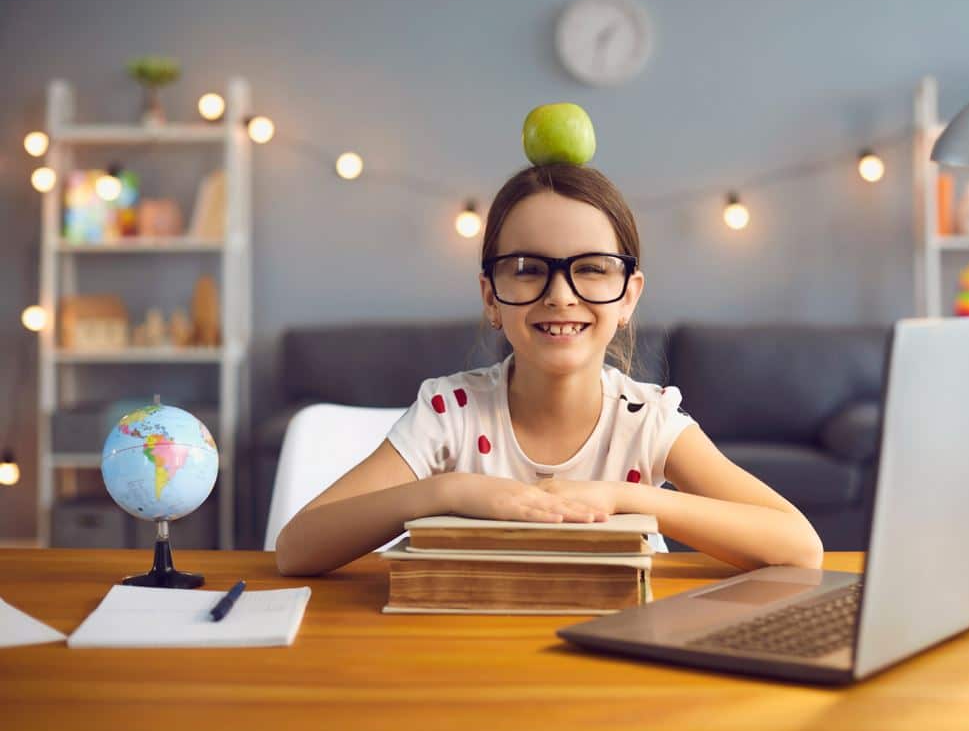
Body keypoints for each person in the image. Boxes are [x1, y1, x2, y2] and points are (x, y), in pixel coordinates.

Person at [276, 163, 823, 576]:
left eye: (591, 269)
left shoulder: (646, 420)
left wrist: (626, 499)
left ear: (628, 297)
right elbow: (297, 548)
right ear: (490, 295)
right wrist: (448, 492)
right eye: (527, 269)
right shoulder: (450, 414)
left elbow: (800, 546)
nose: (561, 296)